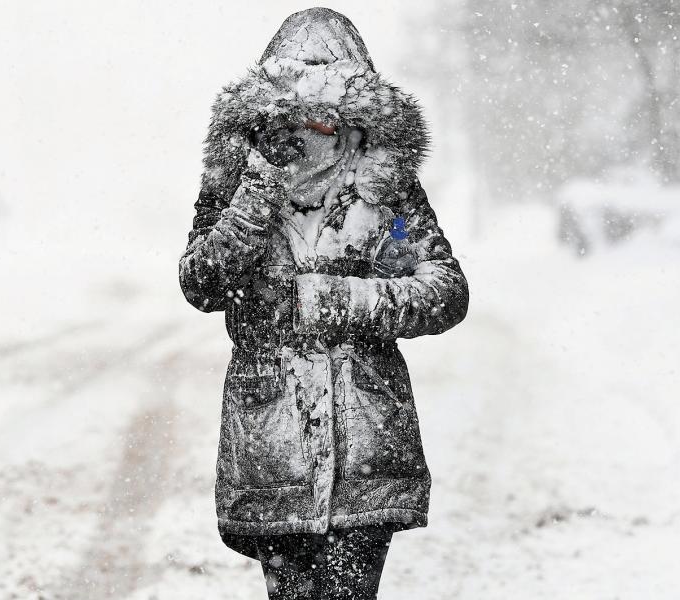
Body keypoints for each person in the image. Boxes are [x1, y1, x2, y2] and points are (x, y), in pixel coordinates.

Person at [179, 7, 468, 599]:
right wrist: (254, 199)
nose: (313, 128)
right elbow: (200, 284)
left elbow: (445, 291)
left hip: (367, 442)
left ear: (354, 114)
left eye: (328, 114)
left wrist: (338, 299)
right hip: (272, 446)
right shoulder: (238, 183)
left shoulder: (385, 188)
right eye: (296, 111)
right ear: (270, 111)